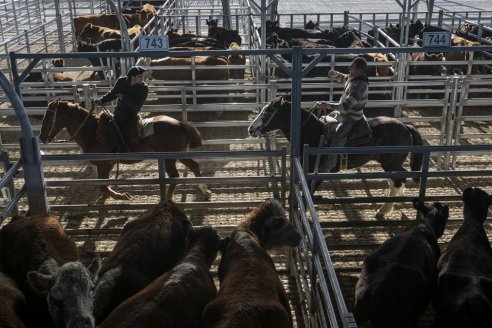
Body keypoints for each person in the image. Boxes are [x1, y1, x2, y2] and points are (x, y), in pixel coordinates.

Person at [316, 56, 369, 173]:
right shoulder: (354, 78)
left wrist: (327, 105)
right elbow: (345, 78)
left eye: (352, 67)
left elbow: (346, 106)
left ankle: (329, 165)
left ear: (359, 70)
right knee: (323, 121)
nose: (350, 69)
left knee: (337, 136)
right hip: (343, 113)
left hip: (351, 117)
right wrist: (335, 74)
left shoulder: (360, 86)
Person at [94, 66, 149, 152]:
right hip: (119, 110)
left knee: (114, 123)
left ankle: (114, 148)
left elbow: (137, 105)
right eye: (140, 76)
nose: (142, 78)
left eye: (142, 76)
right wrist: (101, 100)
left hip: (131, 112)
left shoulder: (144, 88)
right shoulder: (121, 82)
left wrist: (124, 98)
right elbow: (112, 94)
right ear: (132, 77)